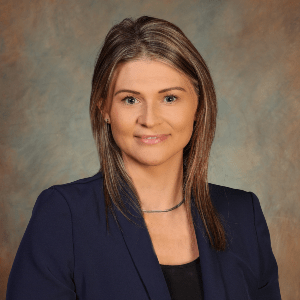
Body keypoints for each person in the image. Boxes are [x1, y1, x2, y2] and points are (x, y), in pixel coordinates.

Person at [6, 16, 281, 300]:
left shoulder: (243, 214)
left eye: (170, 98)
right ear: (104, 109)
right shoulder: (64, 216)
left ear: (198, 106)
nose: (149, 120)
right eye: (130, 99)